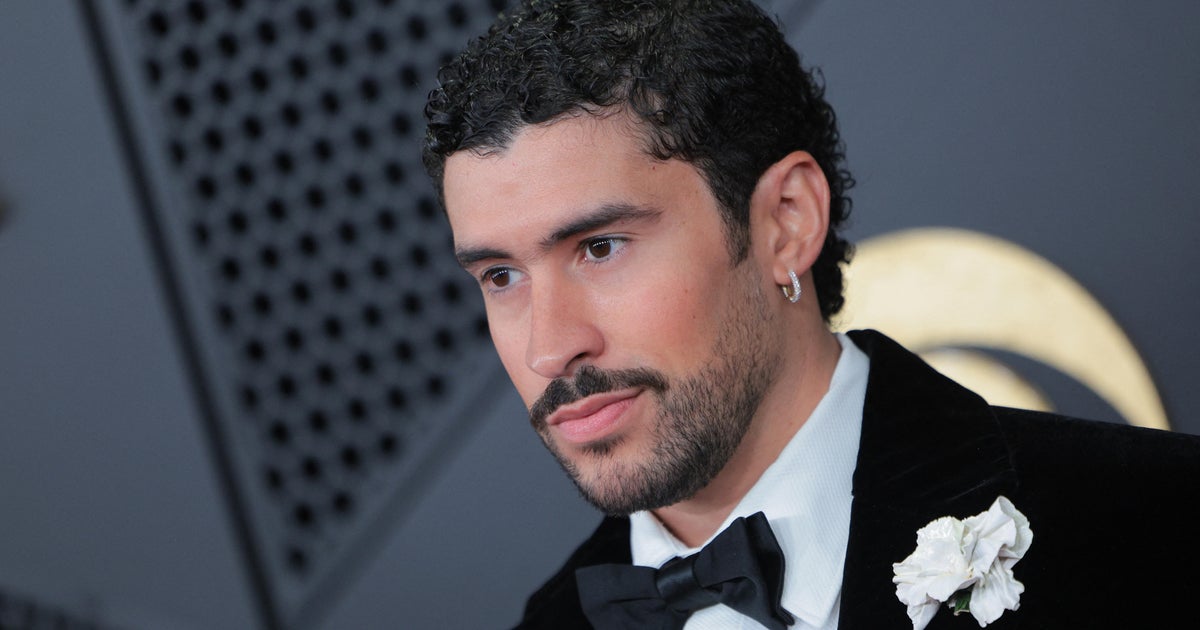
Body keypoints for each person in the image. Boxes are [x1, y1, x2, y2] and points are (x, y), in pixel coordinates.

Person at [422, 1, 1200, 628]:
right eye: (500, 276)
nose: (549, 348)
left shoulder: (1154, 526)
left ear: (785, 222)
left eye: (600, 248)